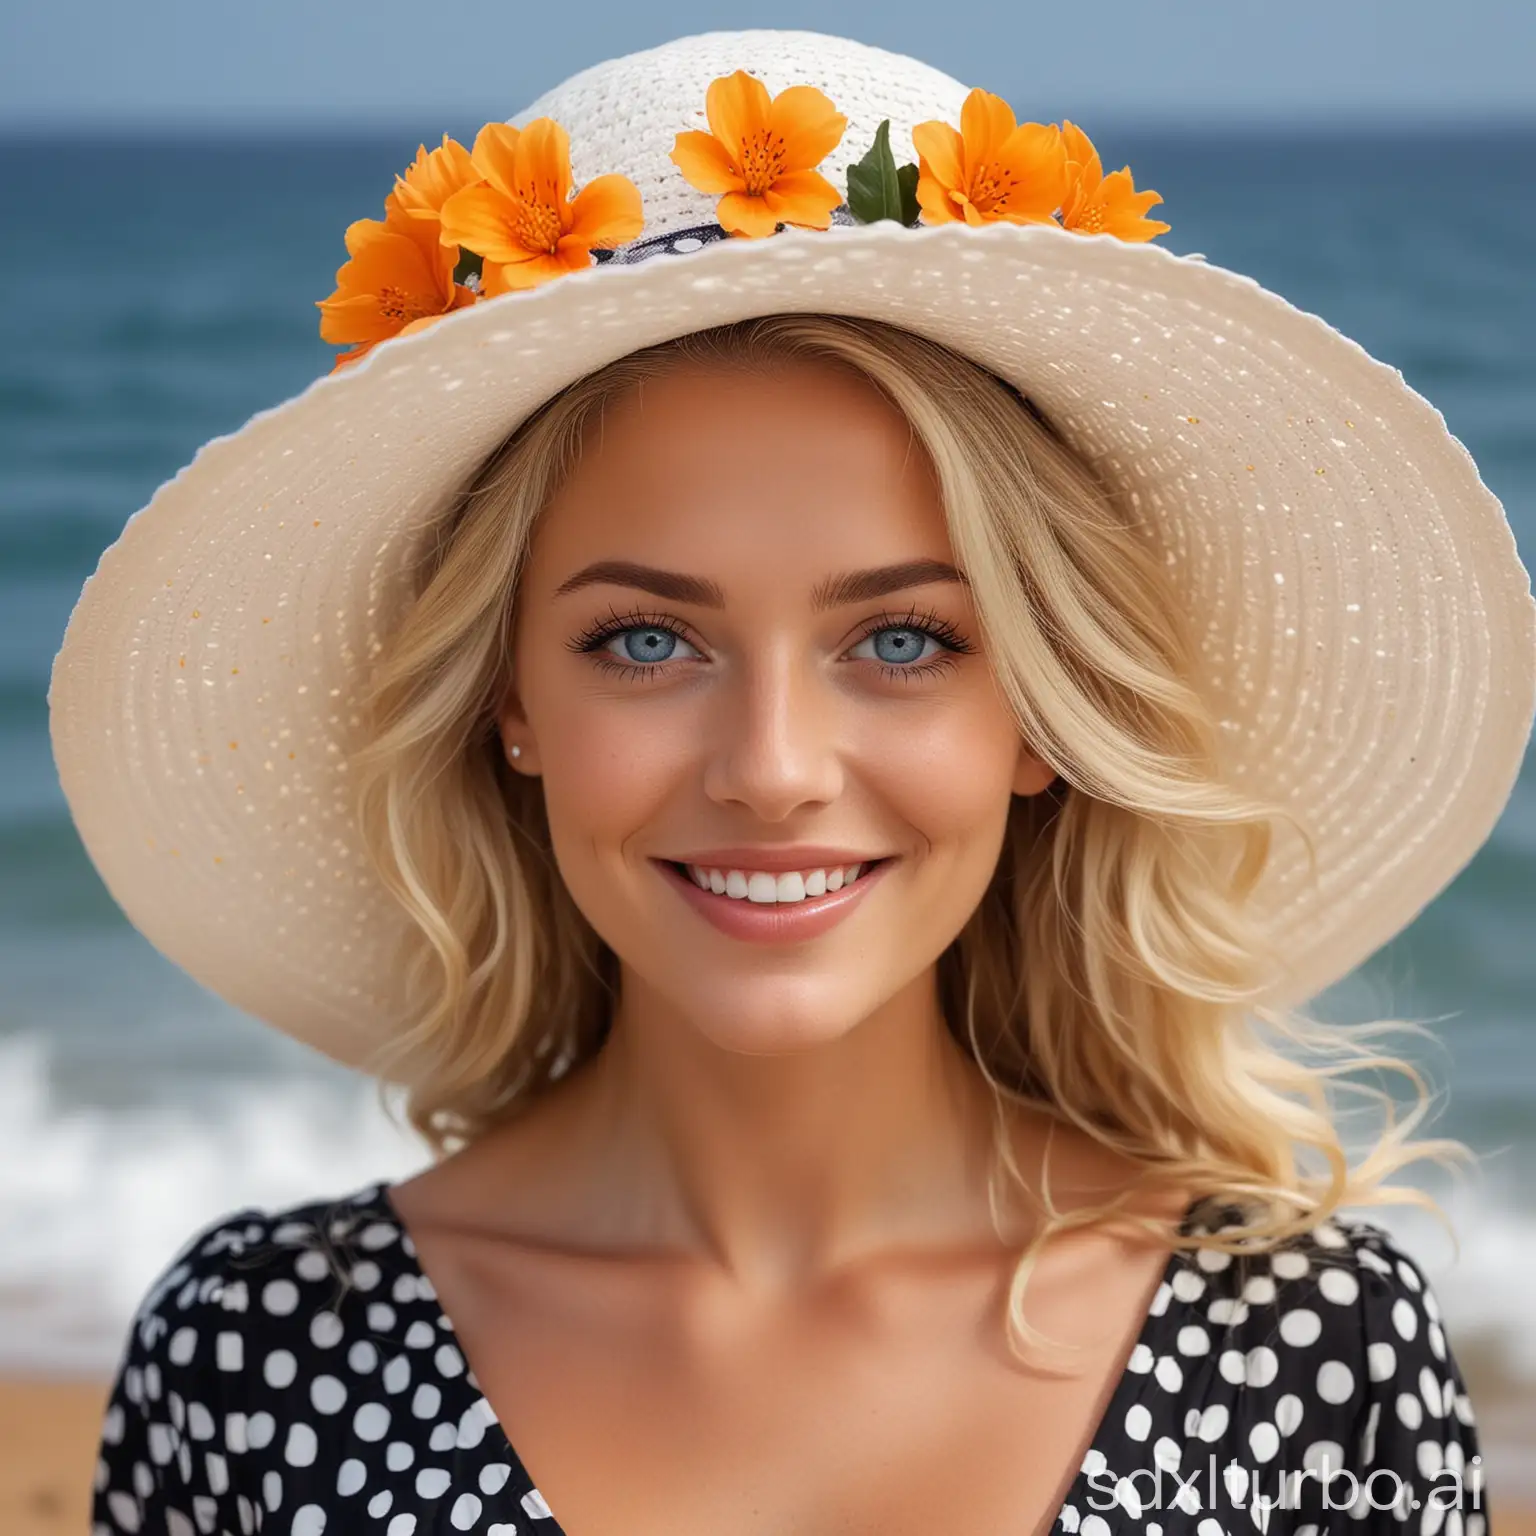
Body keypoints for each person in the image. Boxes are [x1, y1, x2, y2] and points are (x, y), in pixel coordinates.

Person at [53, 29, 1531, 1536]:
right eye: (644, 640)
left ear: (1044, 711)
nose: (771, 770)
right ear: (510, 704)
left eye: (901, 637)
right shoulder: (250, 1366)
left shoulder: (1321, 1359)